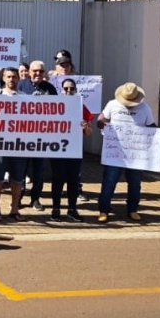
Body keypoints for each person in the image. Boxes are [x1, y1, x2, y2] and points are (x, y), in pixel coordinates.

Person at [96, 83, 160, 223]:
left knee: (134, 183)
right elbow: (101, 119)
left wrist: (159, 134)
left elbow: (151, 126)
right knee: (109, 181)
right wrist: (101, 122)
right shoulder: (112, 104)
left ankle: (132, 209)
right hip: (115, 153)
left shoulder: (144, 108)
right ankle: (103, 210)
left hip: (135, 155)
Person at [50, 78, 93, 222]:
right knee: (57, 180)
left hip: (74, 150)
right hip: (58, 149)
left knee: (73, 181)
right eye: (66, 88)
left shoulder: (80, 106)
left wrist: (85, 127)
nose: (69, 91)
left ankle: (72, 209)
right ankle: (56, 209)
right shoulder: (54, 105)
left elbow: (89, 133)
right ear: (61, 90)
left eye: (71, 89)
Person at [0, 68, 27, 222]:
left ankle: (14, 209)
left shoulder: (26, 98)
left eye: (14, 77)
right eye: (8, 77)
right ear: (3, 78)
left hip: (20, 145)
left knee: (17, 179)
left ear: (18, 79)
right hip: (0, 144)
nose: (11, 79)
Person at [25, 60, 59, 212]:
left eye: (41, 71)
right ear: (29, 72)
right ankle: (17, 198)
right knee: (21, 170)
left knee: (39, 171)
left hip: (41, 137)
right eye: (35, 71)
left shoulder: (50, 88)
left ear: (44, 73)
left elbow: (57, 110)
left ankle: (35, 198)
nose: (37, 74)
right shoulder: (21, 85)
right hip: (22, 137)